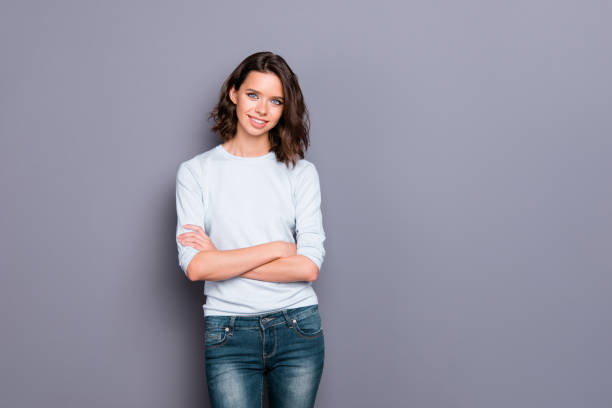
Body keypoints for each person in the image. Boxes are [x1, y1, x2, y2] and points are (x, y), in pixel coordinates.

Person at [175, 51, 326, 408]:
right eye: (253, 95)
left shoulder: (301, 173)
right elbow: (196, 267)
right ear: (233, 93)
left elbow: (307, 267)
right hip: (228, 332)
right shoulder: (196, 173)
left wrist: (221, 258)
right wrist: (277, 247)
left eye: (275, 101)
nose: (262, 109)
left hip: (298, 327)